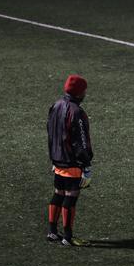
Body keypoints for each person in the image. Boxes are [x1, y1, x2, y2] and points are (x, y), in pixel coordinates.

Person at [46, 74, 94, 246]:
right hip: (72, 162)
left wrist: (53, 158)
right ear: (79, 93)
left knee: (58, 193)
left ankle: (52, 232)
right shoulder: (77, 112)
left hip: (57, 159)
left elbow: (50, 133)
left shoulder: (56, 105)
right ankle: (68, 237)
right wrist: (86, 165)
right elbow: (80, 141)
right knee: (70, 197)